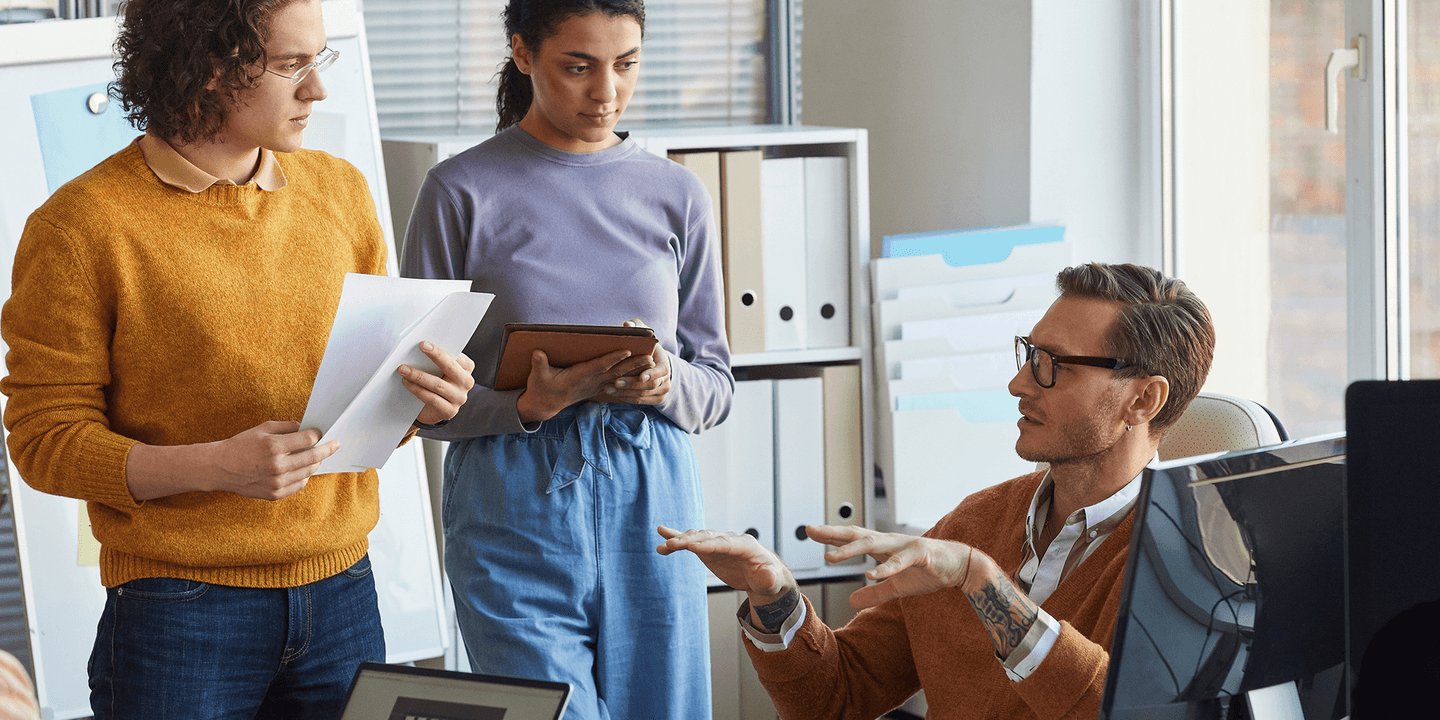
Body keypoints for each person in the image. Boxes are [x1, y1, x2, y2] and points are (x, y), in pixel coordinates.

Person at [0, 0, 476, 716]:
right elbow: (44, 442)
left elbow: (362, 395)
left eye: (320, 60)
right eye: (290, 65)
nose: (317, 89)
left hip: (345, 590)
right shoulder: (80, 226)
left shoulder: (339, 191)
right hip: (178, 610)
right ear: (207, 68)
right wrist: (214, 465)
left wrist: (419, 400)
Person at [660, 263, 1216, 720]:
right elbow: (837, 698)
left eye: (1053, 367)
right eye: (1029, 354)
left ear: (1143, 401)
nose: (1019, 383)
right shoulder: (979, 521)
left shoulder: (1189, 561)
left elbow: (1117, 710)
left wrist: (984, 584)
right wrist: (774, 597)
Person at [399, 1, 731, 717]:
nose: (605, 92)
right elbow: (418, 400)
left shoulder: (678, 194)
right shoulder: (459, 192)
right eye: (577, 67)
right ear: (523, 54)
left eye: (626, 64)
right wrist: (526, 406)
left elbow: (718, 385)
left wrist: (667, 383)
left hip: (655, 505)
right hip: (509, 503)